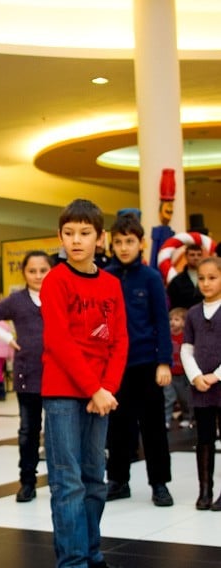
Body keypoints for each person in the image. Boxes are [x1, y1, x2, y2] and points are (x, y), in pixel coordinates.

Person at [40, 198, 128, 568]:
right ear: (60, 237)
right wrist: (94, 388)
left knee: (95, 480)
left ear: (100, 238)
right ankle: (70, 566)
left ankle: (92, 556)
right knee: (68, 481)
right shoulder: (55, 280)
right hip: (63, 393)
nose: (76, 240)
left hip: (100, 396)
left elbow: (120, 340)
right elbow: (58, 340)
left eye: (85, 233)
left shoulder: (111, 284)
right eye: (69, 233)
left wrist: (106, 389)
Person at [104, 213, 174, 507]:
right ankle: (118, 481)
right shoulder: (105, 275)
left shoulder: (152, 277)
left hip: (146, 363)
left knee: (153, 426)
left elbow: (161, 321)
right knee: (118, 426)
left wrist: (164, 362)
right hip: (114, 366)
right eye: (118, 242)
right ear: (111, 244)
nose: (123, 247)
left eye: (129, 241)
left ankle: (159, 484)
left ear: (141, 243)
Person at [0, 250, 52, 502]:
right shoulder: (16, 300)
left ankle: (58, 479)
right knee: (28, 430)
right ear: (24, 273)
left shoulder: (57, 296)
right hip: (27, 375)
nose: (38, 275)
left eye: (43, 270)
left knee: (56, 432)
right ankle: (27, 481)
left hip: (57, 375)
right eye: (32, 271)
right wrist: (8, 339)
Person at [181, 257, 221, 510]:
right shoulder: (193, 313)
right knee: (204, 438)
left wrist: (216, 375)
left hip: (219, 382)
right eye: (202, 278)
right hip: (201, 388)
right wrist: (196, 376)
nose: (206, 283)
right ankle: (204, 490)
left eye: (212, 278)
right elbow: (186, 349)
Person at [164, 307, 193, 429]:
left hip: (183, 373)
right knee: (168, 397)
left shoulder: (186, 337)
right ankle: (166, 420)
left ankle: (188, 417)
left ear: (184, 322)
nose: (172, 322)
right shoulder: (167, 336)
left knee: (185, 398)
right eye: (170, 319)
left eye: (177, 319)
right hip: (170, 373)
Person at [166, 243, 204, 309]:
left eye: (199, 255)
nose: (196, 258)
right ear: (186, 256)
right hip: (184, 317)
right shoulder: (177, 281)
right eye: (192, 255)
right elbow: (171, 304)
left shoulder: (210, 279)